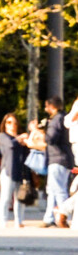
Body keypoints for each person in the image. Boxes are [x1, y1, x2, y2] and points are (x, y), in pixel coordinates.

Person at [47, 98, 76, 229]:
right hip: (63, 155)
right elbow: (69, 121)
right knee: (57, 189)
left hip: (59, 156)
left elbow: (68, 122)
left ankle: (62, 212)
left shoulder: (57, 119)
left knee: (56, 189)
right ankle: (61, 211)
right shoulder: (61, 117)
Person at [0, 111, 27, 228]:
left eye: (14, 123)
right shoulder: (2, 136)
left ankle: (18, 221)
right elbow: (10, 145)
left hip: (21, 170)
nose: (12, 125)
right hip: (8, 170)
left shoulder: (21, 138)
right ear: (4, 124)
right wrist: (20, 138)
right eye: (9, 122)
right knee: (5, 197)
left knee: (20, 197)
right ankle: (3, 221)